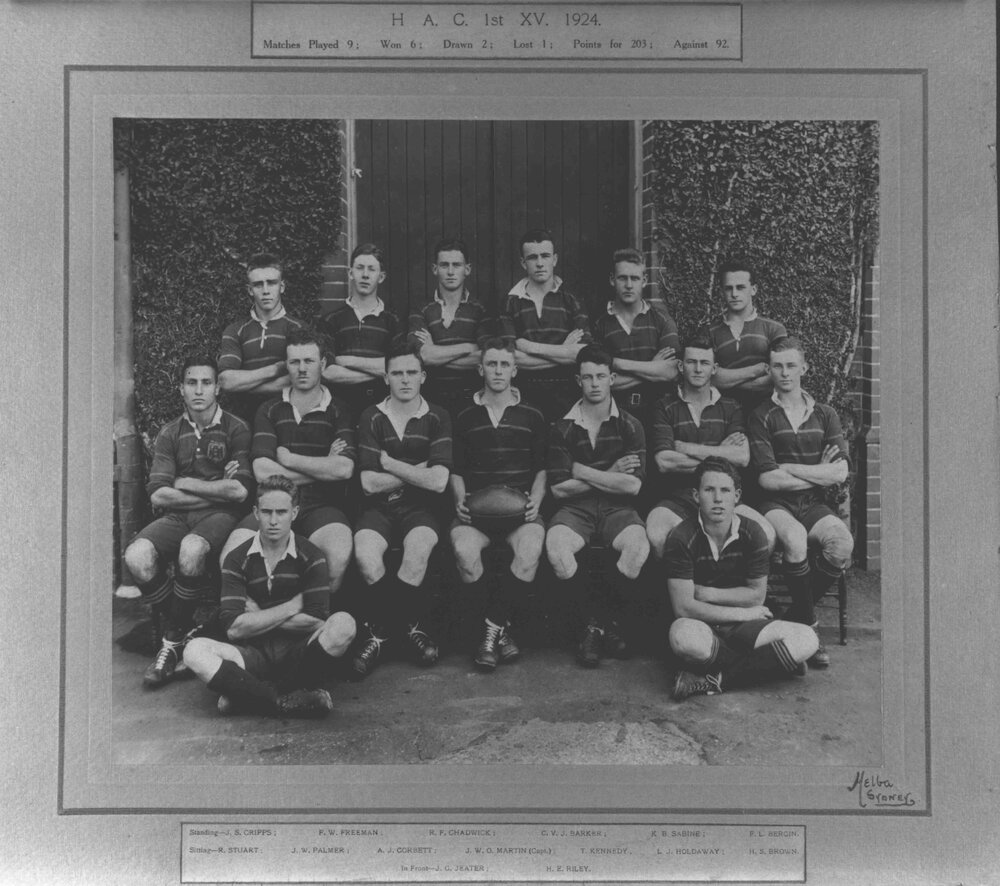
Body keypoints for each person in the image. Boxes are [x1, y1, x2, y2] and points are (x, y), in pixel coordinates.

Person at [123, 355, 252, 688]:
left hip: (221, 517)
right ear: (181, 389)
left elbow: (239, 492)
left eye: (206, 382)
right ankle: (188, 629)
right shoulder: (170, 433)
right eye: (192, 383)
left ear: (217, 388)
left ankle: (171, 642)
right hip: (179, 516)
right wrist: (215, 490)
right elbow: (159, 496)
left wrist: (186, 484)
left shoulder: (236, 428)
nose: (199, 390)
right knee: (136, 556)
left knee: (192, 549)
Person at [183, 475, 356, 718]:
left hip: (298, 655)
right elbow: (234, 629)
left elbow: (316, 621)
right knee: (193, 651)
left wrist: (257, 616)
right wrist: (292, 606)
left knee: (344, 625)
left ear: (294, 513)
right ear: (256, 513)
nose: (274, 520)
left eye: (282, 512)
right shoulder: (236, 558)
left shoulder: (311, 556)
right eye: (267, 512)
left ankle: (246, 696)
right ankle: (281, 700)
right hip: (252, 657)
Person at [664, 458, 819, 700]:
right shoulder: (681, 537)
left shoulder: (753, 532)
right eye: (709, 490)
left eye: (725, 490)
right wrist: (743, 612)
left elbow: (756, 595)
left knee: (808, 639)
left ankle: (712, 679)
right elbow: (684, 608)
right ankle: (771, 663)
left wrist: (706, 593)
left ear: (736, 496)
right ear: (696, 495)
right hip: (703, 625)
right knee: (682, 637)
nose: (718, 499)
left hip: (744, 628)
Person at [219, 328, 356, 596]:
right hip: (272, 504)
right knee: (230, 558)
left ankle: (312, 626)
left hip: (322, 507)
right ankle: (258, 627)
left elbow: (344, 469)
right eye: (294, 362)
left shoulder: (340, 409)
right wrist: (322, 466)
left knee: (337, 555)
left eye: (309, 361)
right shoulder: (269, 408)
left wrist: (289, 460)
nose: (302, 369)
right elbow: (262, 472)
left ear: (323, 364)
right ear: (287, 365)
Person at [748, 336, 854, 669]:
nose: (785, 373)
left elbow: (839, 471)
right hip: (775, 504)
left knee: (841, 543)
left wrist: (792, 468)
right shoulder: (760, 415)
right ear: (769, 370)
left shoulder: (825, 414)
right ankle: (809, 628)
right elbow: (767, 478)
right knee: (793, 538)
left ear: (804, 368)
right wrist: (817, 471)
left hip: (814, 504)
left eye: (791, 365)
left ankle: (793, 618)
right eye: (777, 366)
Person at [350, 343, 453, 677]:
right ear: (385, 377)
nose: (405, 380)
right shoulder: (371, 416)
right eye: (397, 373)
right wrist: (417, 470)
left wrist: (391, 465)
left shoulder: (437, 415)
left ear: (423, 376)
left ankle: (381, 634)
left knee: (417, 551)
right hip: (377, 509)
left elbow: (438, 483)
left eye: (412, 372)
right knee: (366, 555)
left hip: (421, 509)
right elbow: (368, 483)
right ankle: (408, 629)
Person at [545, 344, 650, 667]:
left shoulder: (630, 425)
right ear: (578, 380)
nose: (594, 383)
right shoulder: (562, 426)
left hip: (617, 508)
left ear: (612, 379)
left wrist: (581, 470)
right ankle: (591, 626)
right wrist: (611, 472)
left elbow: (632, 486)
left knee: (637, 548)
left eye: (601, 376)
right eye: (587, 377)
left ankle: (600, 624)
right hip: (576, 509)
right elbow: (560, 489)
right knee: (558, 551)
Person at [450, 338, 548, 670]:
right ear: (480, 369)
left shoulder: (533, 415)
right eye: (491, 364)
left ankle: (490, 633)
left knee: (531, 551)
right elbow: (456, 469)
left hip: (520, 512)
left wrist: (535, 500)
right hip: (476, 512)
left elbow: (542, 468)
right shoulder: (464, 416)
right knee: (464, 553)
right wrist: (459, 501)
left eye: (504, 364)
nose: (498, 370)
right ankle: (499, 632)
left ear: (515, 370)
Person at [645, 335, 775, 559]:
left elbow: (742, 457)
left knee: (767, 533)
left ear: (714, 368)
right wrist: (721, 455)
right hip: (678, 497)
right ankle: (673, 592)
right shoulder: (664, 407)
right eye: (691, 362)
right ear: (680, 366)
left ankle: (735, 588)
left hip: (724, 496)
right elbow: (665, 461)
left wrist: (684, 447)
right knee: (656, 534)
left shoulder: (731, 407)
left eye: (704, 363)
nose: (697, 369)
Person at [499, 228, 591, 418]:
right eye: (533, 257)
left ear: (554, 259)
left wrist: (528, 346)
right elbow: (510, 358)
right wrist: (563, 350)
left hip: (567, 398)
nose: (540, 263)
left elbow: (582, 354)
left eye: (545, 256)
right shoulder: (510, 302)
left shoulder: (571, 300)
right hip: (522, 398)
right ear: (523, 263)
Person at [592, 247, 678, 429]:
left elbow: (671, 372)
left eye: (635, 278)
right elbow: (600, 382)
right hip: (614, 415)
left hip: (658, 414)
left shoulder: (661, 320)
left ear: (644, 281)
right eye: (623, 278)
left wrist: (617, 363)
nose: (629, 285)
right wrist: (653, 368)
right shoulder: (599, 324)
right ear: (612, 280)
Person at [407, 237, 489, 419]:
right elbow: (422, 356)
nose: (450, 272)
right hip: (429, 403)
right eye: (444, 265)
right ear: (435, 269)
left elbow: (486, 357)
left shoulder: (480, 310)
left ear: (467, 269)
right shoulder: (421, 309)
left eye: (456, 265)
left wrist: (436, 353)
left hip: (473, 401)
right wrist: (469, 347)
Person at [218, 253, 304, 424]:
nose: (265, 291)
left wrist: (246, 386)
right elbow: (226, 380)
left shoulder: (298, 328)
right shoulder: (236, 330)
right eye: (258, 285)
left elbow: (299, 378)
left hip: (288, 420)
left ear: (282, 286)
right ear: (250, 290)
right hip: (244, 421)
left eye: (271, 283)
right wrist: (276, 369)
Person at [320, 242, 404, 418]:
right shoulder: (331, 320)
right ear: (351, 273)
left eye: (371, 269)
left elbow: (399, 368)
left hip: (383, 412)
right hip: (339, 412)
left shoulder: (393, 321)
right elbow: (327, 372)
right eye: (360, 268)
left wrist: (346, 360)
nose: (365, 275)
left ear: (381, 277)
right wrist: (382, 371)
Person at [708, 259, 788, 417]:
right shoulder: (709, 332)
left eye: (740, 287)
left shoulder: (774, 329)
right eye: (728, 288)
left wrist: (727, 381)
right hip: (723, 416)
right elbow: (707, 376)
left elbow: (778, 376)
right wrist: (755, 370)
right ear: (722, 291)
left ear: (753, 289)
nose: (734, 294)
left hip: (768, 414)